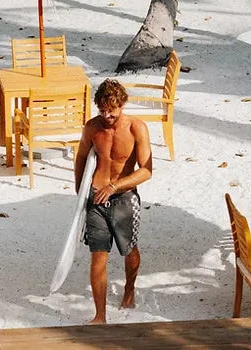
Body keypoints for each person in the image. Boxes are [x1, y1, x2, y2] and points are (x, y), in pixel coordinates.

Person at [74, 79, 152, 324]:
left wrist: (114, 186)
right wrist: (80, 192)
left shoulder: (136, 128)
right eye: (102, 110)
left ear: (123, 104)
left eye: (112, 110)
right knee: (98, 255)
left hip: (124, 197)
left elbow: (147, 170)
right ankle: (100, 315)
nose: (107, 115)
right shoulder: (92, 127)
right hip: (96, 197)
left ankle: (129, 289)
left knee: (129, 250)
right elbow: (80, 157)